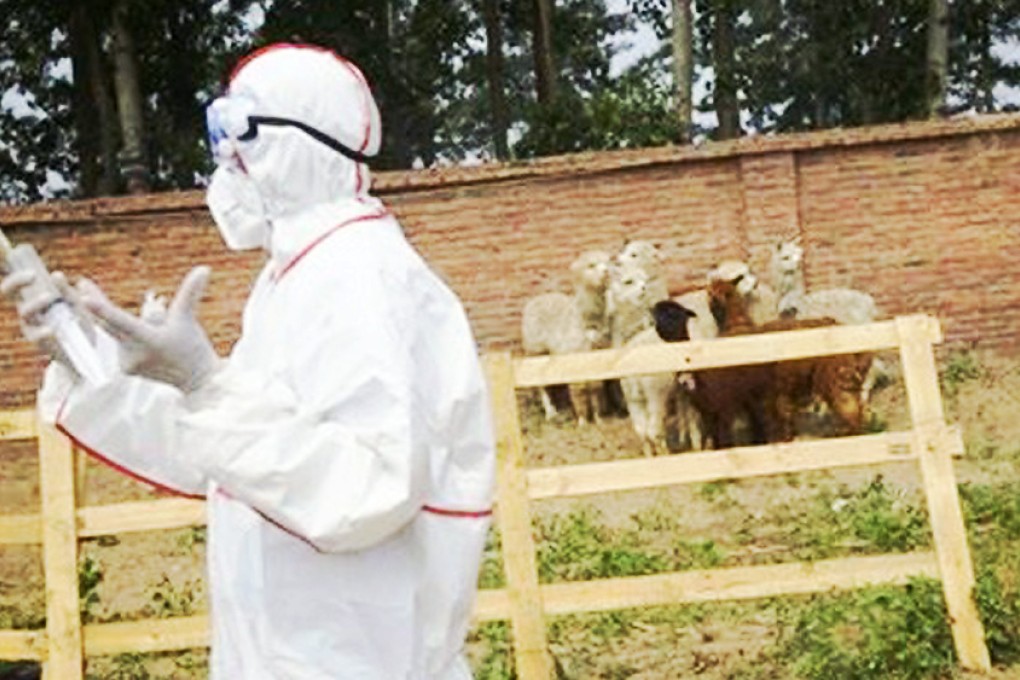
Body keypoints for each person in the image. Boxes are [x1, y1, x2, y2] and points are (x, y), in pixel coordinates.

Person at [2, 43, 496, 679]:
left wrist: (204, 384)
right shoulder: (297, 277)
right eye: (218, 129)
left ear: (306, 144)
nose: (224, 158)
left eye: (243, 131)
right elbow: (232, 459)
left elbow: (368, 488)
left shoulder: (361, 276)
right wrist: (76, 349)